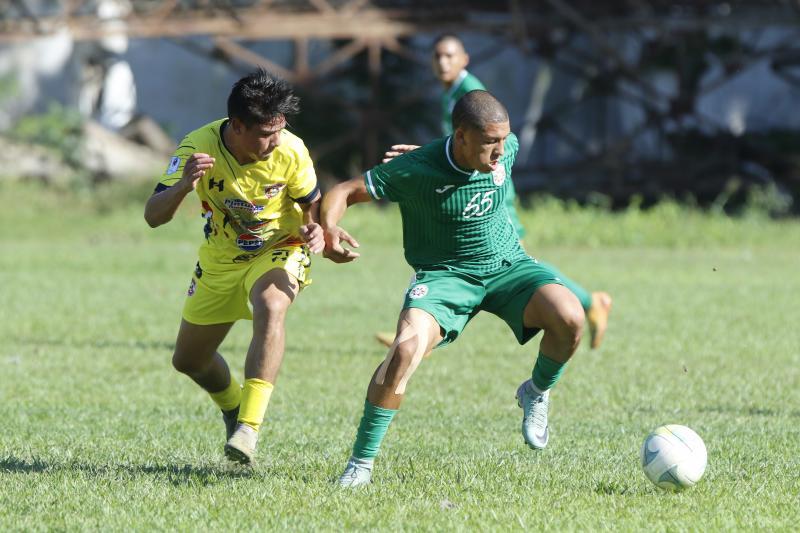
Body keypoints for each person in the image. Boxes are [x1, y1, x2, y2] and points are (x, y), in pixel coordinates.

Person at [323, 91, 587, 487]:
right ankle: (360, 465)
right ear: (461, 137)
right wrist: (329, 228)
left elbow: (497, 147)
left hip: (507, 266)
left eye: (504, 140)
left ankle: (536, 391)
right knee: (404, 351)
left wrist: (478, 147)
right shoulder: (415, 170)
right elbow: (344, 191)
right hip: (444, 276)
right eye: (490, 142)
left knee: (571, 316)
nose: (501, 151)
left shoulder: (506, 148)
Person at [375, 34, 611, 350]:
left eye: (450, 56)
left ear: (464, 59)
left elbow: (488, 140)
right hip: (472, 187)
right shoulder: (451, 92)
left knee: (515, 264)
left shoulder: (469, 91)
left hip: (487, 193)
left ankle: (590, 301)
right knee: (502, 263)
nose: (443, 62)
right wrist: (426, 155)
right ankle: (424, 331)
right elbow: (457, 148)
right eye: (437, 56)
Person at [144, 69, 324, 465]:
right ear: (237, 126)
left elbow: (312, 204)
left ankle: (248, 428)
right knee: (189, 361)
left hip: (280, 246)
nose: (275, 141)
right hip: (221, 258)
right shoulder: (198, 147)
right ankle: (232, 406)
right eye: (266, 134)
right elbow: (153, 216)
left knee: (271, 304)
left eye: (280, 130)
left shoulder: (292, 150)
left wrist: (320, 229)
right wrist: (183, 186)